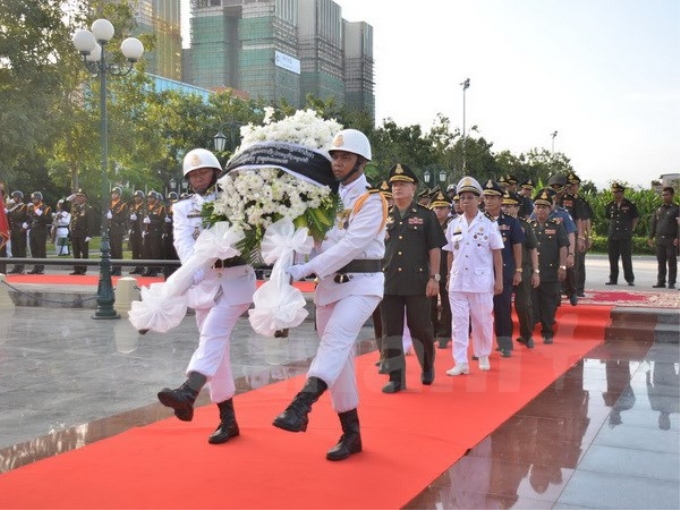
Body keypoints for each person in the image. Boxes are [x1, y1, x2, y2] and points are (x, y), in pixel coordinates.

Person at [273, 128, 386, 461]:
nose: (338, 162)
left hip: (363, 285)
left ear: (361, 162)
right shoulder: (324, 197)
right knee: (339, 360)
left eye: (345, 157)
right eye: (335, 156)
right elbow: (311, 240)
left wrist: (304, 270)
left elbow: (351, 247)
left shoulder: (373, 200)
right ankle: (351, 433)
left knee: (335, 340)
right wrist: (290, 258)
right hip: (329, 287)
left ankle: (301, 404)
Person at [157, 148, 257, 445]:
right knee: (217, 353)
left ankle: (189, 389)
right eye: (193, 174)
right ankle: (227, 420)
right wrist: (196, 269)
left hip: (236, 280)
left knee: (212, 333)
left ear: (215, 173)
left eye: (204, 172)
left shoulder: (237, 198)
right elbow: (183, 241)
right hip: (203, 283)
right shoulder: (182, 208)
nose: (199, 178)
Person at [380, 163, 445, 393]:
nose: (397, 188)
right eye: (394, 184)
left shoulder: (425, 216)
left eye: (403, 184)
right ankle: (396, 378)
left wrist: (434, 277)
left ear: (414, 188)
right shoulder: (383, 215)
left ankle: (427, 365)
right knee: (392, 331)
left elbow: (435, 248)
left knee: (421, 328)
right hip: (389, 282)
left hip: (418, 282)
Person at [444, 176, 503, 376]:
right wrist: (447, 276)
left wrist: (499, 280)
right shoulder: (453, 225)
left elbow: (497, 253)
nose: (466, 201)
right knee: (458, 322)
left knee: (483, 320)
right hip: (458, 280)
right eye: (462, 198)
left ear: (479, 200)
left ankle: (483, 353)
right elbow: (450, 252)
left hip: (480, 281)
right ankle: (460, 362)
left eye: (470, 197)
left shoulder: (488, 224)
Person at [482, 180, 523, 357]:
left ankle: (505, 344)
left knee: (502, 310)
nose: (488, 201)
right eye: (486, 197)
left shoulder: (510, 222)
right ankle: (481, 347)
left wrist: (518, 270)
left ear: (500, 200)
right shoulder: (478, 219)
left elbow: (517, 246)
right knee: (480, 312)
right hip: (481, 272)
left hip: (504, 272)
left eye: (492, 197)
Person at [529, 189, 569, 344]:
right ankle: (529, 332)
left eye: (544, 207)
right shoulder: (529, 226)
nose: (540, 210)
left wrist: (563, 266)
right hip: (533, 272)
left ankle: (547, 332)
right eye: (538, 207)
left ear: (550, 209)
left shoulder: (556, 225)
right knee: (531, 303)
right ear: (534, 208)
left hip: (551, 271)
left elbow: (563, 246)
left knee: (549, 303)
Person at [501, 191, 540, 348]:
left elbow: (532, 249)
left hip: (523, 269)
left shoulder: (525, 225)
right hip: (503, 269)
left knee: (523, 305)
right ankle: (505, 338)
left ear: (517, 208)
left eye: (510, 206)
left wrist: (536, 271)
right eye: (504, 205)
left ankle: (526, 334)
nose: (507, 209)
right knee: (503, 307)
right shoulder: (495, 224)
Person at [430, 190, 454, 349]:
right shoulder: (428, 223)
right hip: (430, 268)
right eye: (436, 207)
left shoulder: (454, 225)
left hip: (447, 266)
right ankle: (432, 332)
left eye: (443, 207)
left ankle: (444, 334)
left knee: (447, 302)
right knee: (429, 302)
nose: (439, 210)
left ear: (448, 209)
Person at [605, 182, 639, 286]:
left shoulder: (630, 204)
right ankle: (613, 279)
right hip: (613, 235)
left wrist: (631, 229)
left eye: (617, 192)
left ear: (622, 192)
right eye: (614, 192)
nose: (615, 194)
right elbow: (607, 218)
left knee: (626, 258)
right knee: (613, 258)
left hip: (625, 235)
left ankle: (629, 279)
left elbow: (635, 218)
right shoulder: (610, 205)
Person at [566, 172, 593, 296]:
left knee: (578, 263)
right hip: (564, 233)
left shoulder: (581, 201)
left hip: (577, 234)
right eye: (570, 185)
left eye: (574, 185)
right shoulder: (562, 199)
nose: (572, 187)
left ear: (578, 186)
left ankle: (579, 288)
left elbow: (585, 219)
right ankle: (566, 288)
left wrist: (587, 236)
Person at [648, 186, 679, 289]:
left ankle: (671, 282)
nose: (664, 196)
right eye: (663, 195)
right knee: (661, 262)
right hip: (659, 239)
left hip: (671, 239)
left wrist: (678, 238)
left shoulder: (676, 209)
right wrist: (650, 237)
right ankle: (661, 282)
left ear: (672, 195)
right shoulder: (659, 209)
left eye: (667, 194)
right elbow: (654, 224)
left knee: (671, 261)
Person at [69, 189, 95, 275]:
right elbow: (64, 209)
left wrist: (89, 235)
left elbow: (91, 222)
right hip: (75, 232)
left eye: (80, 196)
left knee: (84, 252)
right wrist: (68, 199)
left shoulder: (88, 208)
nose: (78, 198)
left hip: (83, 233)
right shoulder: (75, 207)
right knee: (75, 252)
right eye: (77, 196)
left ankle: (83, 269)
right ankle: (76, 269)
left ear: (85, 198)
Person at [141, 190, 166, 277]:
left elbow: (162, 221)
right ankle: (149, 269)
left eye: (151, 197)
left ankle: (154, 270)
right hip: (147, 232)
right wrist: (143, 229)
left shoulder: (160, 207)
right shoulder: (146, 207)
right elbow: (143, 219)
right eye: (149, 197)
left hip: (155, 232)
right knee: (147, 251)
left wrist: (152, 221)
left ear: (155, 199)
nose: (149, 199)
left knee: (154, 251)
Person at [26, 191, 51, 274]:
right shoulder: (32, 208)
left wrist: (40, 214)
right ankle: (35, 267)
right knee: (33, 250)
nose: (34, 200)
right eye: (32, 199)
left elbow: (49, 220)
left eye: (35, 198)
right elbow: (30, 219)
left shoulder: (46, 208)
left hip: (41, 231)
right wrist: (26, 225)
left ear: (40, 199)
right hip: (33, 231)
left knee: (41, 250)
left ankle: (41, 267)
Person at [107, 187, 128, 276]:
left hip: (118, 230)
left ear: (119, 195)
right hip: (111, 230)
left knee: (118, 250)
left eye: (115, 193)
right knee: (112, 251)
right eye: (112, 193)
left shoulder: (123, 205)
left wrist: (112, 217)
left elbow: (123, 218)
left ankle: (118, 269)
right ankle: (114, 267)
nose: (113, 195)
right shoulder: (110, 204)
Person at [7, 190, 29, 274]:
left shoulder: (24, 206)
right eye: (13, 197)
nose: (14, 198)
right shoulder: (12, 207)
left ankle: (21, 267)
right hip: (14, 230)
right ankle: (16, 266)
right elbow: (9, 218)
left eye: (15, 197)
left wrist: (25, 226)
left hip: (20, 230)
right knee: (14, 249)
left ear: (19, 198)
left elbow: (25, 217)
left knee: (21, 249)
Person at [163, 191, 180, 279]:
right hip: (167, 235)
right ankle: (167, 274)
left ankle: (174, 273)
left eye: (173, 199)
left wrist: (171, 220)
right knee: (167, 255)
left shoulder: (179, 209)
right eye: (170, 199)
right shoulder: (167, 208)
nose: (171, 201)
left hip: (175, 234)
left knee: (174, 255)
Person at [128, 190, 145, 275]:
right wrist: (129, 227)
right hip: (134, 231)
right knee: (134, 250)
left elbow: (144, 219)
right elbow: (129, 218)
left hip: (140, 231)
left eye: (138, 197)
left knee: (141, 250)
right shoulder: (132, 207)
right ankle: (136, 267)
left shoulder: (144, 207)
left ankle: (141, 267)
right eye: (135, 197)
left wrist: (137, 217)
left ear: (142, 198)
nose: (136, 198)